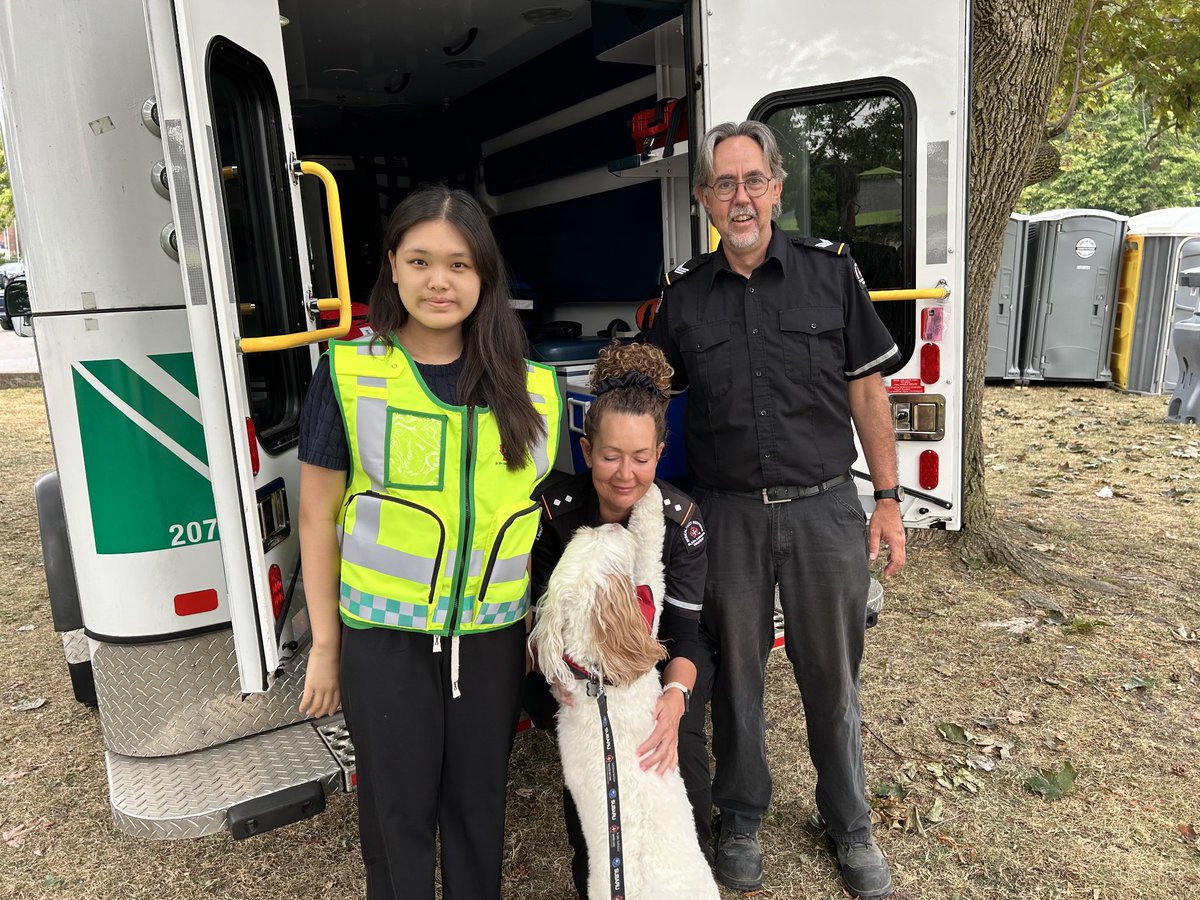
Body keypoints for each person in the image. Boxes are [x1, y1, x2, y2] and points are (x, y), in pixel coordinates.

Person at [650, 121, 907, 900]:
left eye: (753, 180)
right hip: (726, 516)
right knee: (736, 678)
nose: (741, 197)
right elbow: (651, 408)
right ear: (704, 199)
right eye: (724, 184)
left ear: (777, 188)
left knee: (833, 677)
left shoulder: (830, 274)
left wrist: (887, 499)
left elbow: (869, 392)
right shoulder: (683, 297)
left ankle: (849, 823)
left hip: (825, 508)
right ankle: (741, 818)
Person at [296, 184, 563, 900]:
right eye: (419, 261)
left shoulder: (532, 388)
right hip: (384, 640)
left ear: (484, 276)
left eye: (458, 264)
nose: (438, 281)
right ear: (391, 266)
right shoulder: (349, 374)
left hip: (491, 641)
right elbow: (317, 517)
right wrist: (326, 647)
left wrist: (533, 624)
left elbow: (534, 518)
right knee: (397, 818)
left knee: (478, 814)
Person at [523, 341, 712, 898]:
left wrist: (673, 702)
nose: (625, 474)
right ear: (586, 450)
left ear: (660, 453)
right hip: (571, 683)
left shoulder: (679, 523)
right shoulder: (553, 513)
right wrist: (555, 679)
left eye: (641, 458)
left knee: (685, 779)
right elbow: (533, 624)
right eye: (610, 456)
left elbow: (685, 638)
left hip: (655, 675)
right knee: (595, 818)